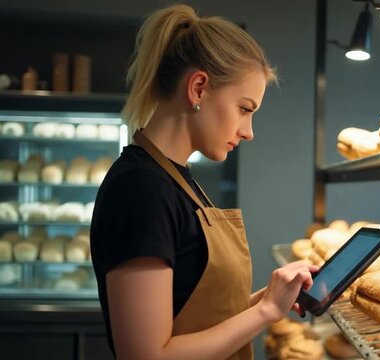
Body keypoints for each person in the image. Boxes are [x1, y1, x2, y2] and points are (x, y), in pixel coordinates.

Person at [90, 4, 317, 360]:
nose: (249, 132)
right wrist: (265, 312)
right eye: (245, 109)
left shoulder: (176, 180)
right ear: (198, 88)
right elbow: (147, 355)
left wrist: (272, 296)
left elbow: (196, 317)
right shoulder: (141, 190)